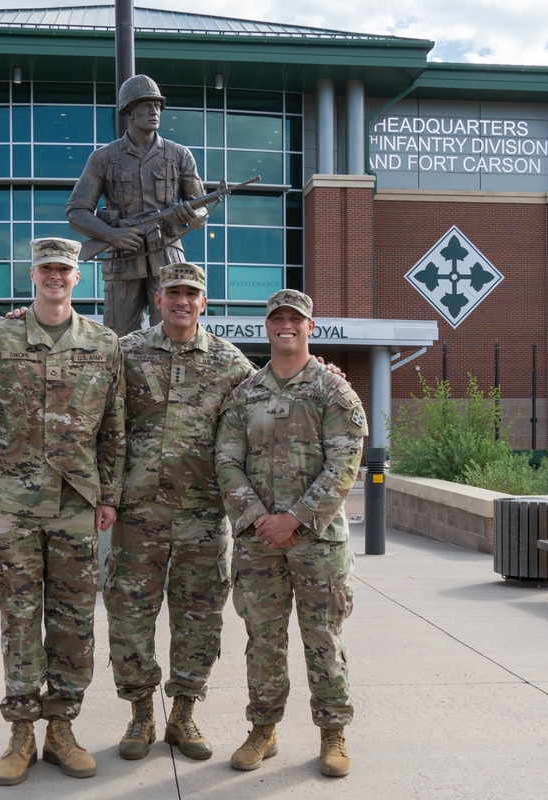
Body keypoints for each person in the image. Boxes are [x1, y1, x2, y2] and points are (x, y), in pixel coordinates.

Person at [0, 237, 126, 787]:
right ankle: (21, 732)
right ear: (33, 274)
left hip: (76, 507)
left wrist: (109, 496)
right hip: (11, 506)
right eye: (47, 269)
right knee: (20, 618)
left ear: (78, 278)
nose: (55, 277)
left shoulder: (103, 344)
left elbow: (114, 430)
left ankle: (62, 731)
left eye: (65, 270)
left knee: (74, 621)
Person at [103, 261, 255, 762]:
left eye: (192, 293)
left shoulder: (231, 364)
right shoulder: (126, 353)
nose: (182, 301)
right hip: (136, 516)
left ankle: (185, 713)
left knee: (199, 620)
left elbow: (273, 399)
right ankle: (141, 715)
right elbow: (81, 386)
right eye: (173, 293)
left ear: (203, 302)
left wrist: (327, 372)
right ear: (159, 299)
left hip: (202, 517)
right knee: (129, 617)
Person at [214, 289, 368, 778]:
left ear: (310, 328)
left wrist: (295, 518)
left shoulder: (333, 391)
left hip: (317, 543)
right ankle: (263, 728)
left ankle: (333, 733)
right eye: (278, 319)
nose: (287, 326)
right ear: (267, 326)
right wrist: (260, 517)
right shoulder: (245, 392)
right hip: (258, 541)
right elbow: (225, 459)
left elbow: (345, 464)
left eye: (295, 320)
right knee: (263, 639)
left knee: (323, 637)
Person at [66, 74, 207, 337]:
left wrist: (195, 216)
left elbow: (201, 207)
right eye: (146, 105)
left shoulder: (179, 154)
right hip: (124, 258)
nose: (154, 111)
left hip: (166, 256)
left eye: (157, 106)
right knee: (118, 336)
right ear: (128, 112)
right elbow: (76, 211)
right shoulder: (103, 158)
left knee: (170, 334)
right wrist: (112, 235)